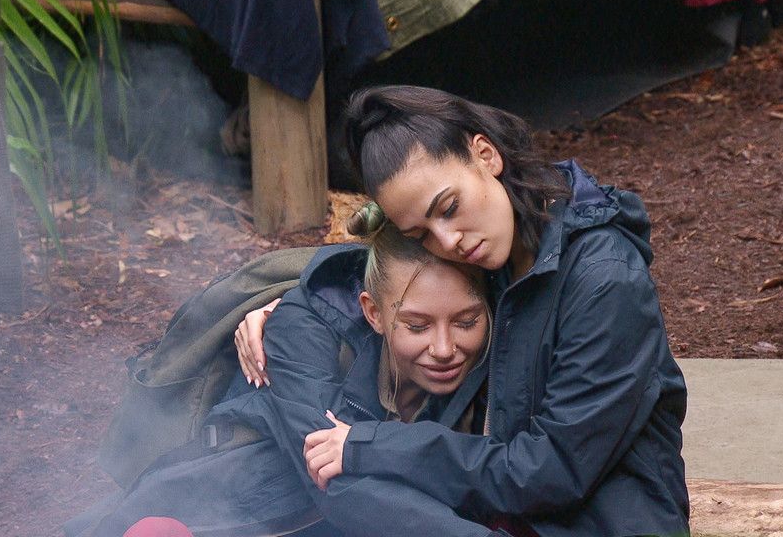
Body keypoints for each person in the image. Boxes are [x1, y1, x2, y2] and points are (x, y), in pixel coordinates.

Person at [239, 85, 690, 536]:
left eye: (449, 208)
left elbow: (548, 472)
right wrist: (286, 305)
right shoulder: (496, 249)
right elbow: (389, 278)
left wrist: (374, 446)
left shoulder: (604, 280)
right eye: (421, 235)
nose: (448, 241)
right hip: (500, 515)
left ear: (486, 155)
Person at [67, 214, 504, 536]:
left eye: (466, 322)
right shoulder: (303, 328)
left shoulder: (505, 345)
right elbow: (336, 482)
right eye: (417, 326)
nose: (444, 349)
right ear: (373, 313)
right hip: (244, 506)